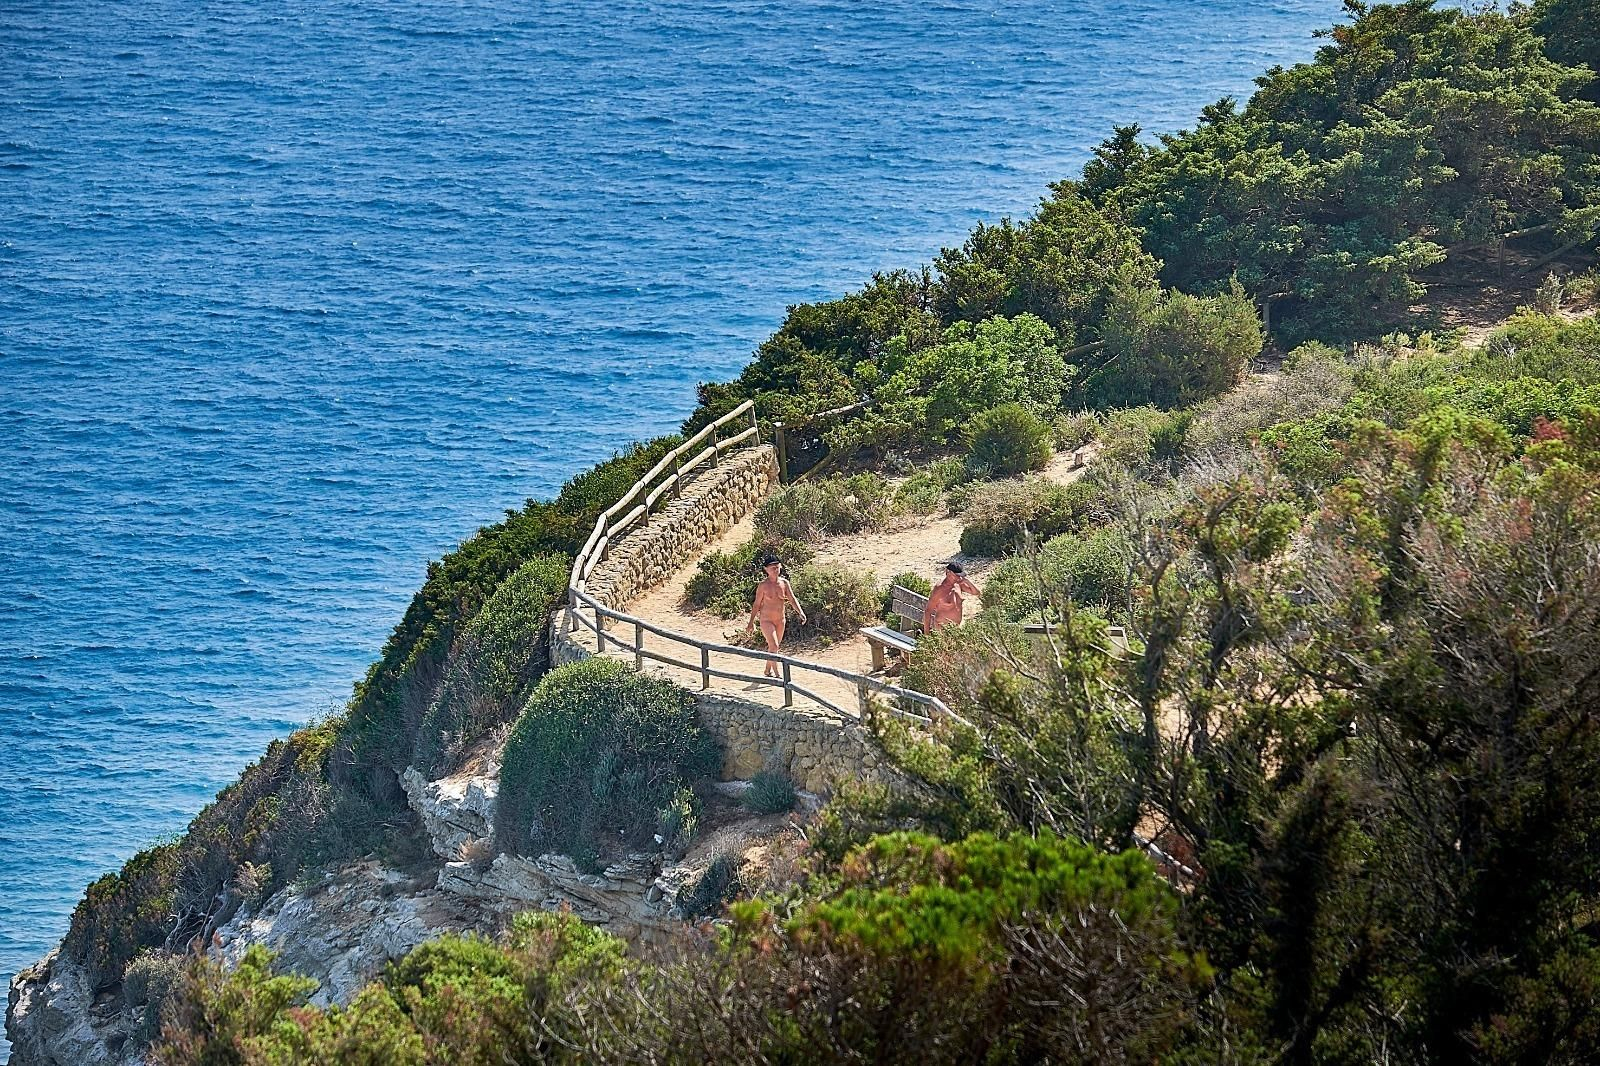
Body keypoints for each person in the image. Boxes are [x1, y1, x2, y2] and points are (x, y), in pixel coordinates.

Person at [746, 555, 806, 677]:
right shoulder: (763, 586)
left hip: (780, 620)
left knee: (774, 648)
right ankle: (778, 674)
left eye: (777, 567)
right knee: (774, 645)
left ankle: (767, 670)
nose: (775, 570)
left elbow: (792, 598)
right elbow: (756, 604)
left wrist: (800, 612)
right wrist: (751, 622)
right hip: (766, 620)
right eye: (772, 567)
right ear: (766, 569)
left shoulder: (784, 583)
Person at [923, 561, 979, 631]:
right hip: (942, 629)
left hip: (956, 628)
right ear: (948, 572)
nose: (959, 578)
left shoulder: (959, 584)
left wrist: (967, 581)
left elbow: (976, 592)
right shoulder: (939, 590)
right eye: (956, 575)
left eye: (960, 575)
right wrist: (926, 635)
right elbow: (928, 611)